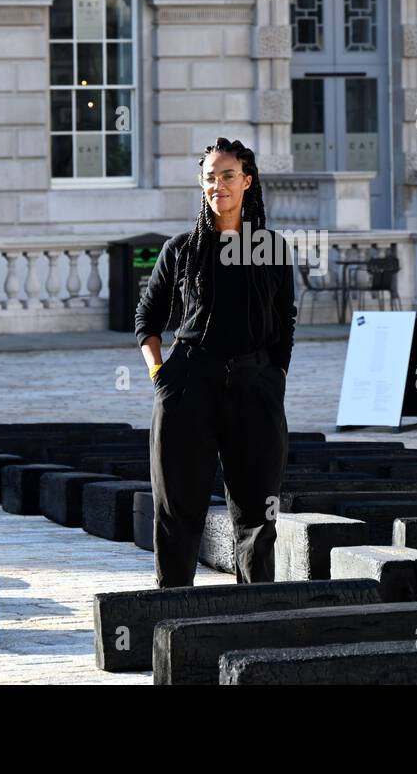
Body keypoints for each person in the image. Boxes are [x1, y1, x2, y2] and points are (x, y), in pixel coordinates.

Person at [133, 137, 296, 587]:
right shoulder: (181, 248)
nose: (218, 184)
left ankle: (254, 615)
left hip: (255, 390)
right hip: (189, 386)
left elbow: (286, 322)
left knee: (257, 517)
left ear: (247, 180)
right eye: (210, 177)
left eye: (228, 175)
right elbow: (147, 316)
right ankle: (175, 615)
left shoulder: (272, 250)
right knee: (177, 512)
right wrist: (159, 375)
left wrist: (275, 376)